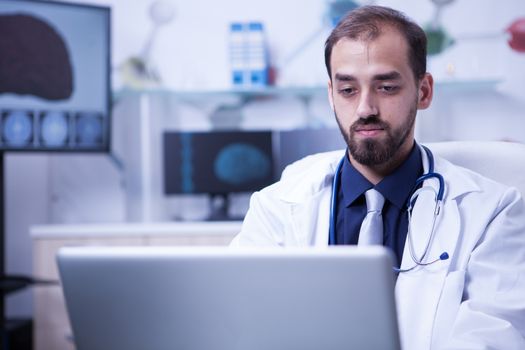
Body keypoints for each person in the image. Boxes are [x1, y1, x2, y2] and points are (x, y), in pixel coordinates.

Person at [230, 5, 525, 350]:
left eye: (385, 87)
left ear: (424, 91)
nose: (365, 108)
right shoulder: (277, 208)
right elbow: (244, 325)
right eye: (348, 90)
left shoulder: (494, 212)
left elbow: (492, 339)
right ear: (331, 95)